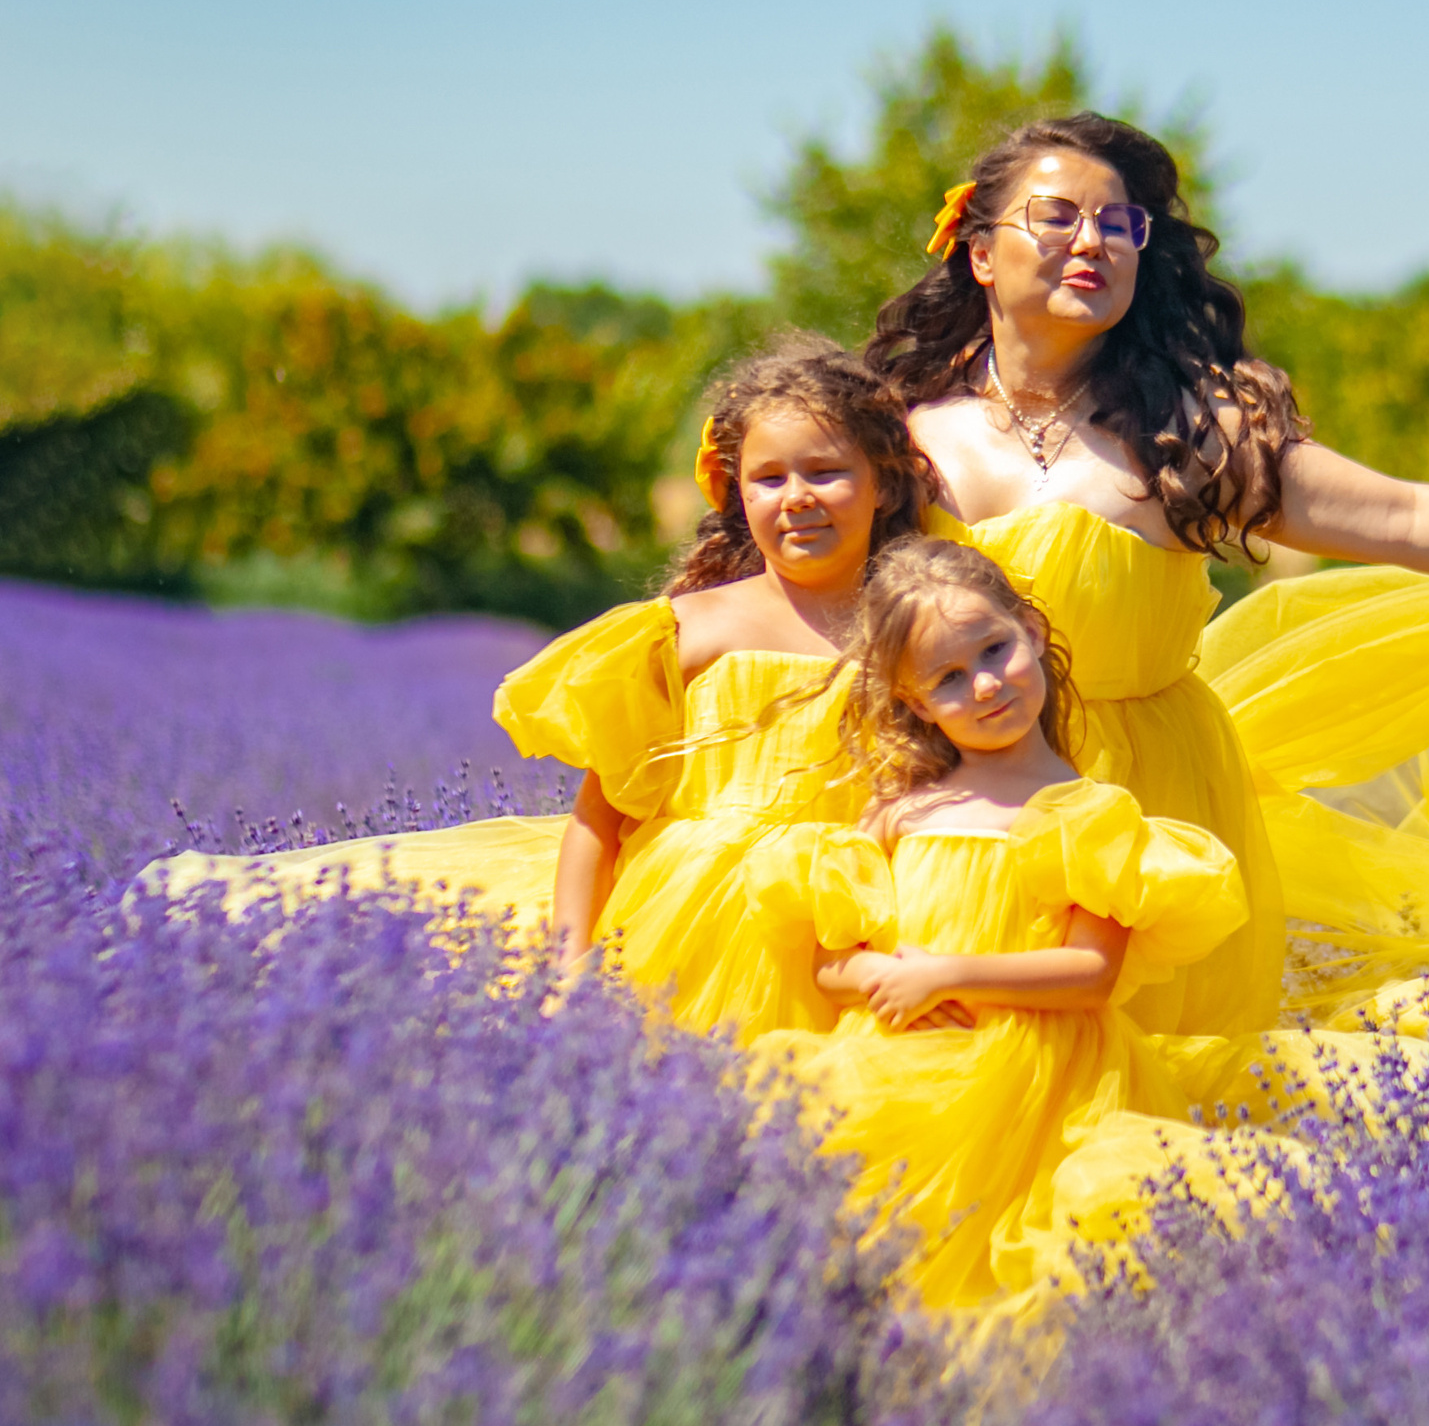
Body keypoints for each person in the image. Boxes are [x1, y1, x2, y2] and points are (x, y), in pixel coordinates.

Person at [869, 113, 1429, 1039]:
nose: (1093, 241)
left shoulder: (1188, 434)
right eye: (1058, 216)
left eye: (1119, 223)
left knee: (1146, 1073)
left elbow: (1407, 516)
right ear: (980, 252)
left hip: (1150, 811)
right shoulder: (899, 438)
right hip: (948, 801)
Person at [147, 333, 934, 1039]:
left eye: (825, 472)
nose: (796, 497)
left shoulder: (920, 629)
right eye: (767, 478)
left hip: (847, 922)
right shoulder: (687, 629)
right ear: (736, 493)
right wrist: (569, 971)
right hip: (684, 918)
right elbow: (598, 820)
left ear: (885, 485)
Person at [744, 536, 1292, 1314]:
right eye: (948, 679)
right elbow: (830, 961)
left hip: (1043, 1079)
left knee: (1019, 1270)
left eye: (994, 649)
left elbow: (1093, 973)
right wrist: (880, 975)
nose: (985, 684)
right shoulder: (900, 811)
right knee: (882, 1255)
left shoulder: (1086, 813)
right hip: (902, 1062)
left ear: (1030, 630)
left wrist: (946, 974)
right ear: (914, 703)